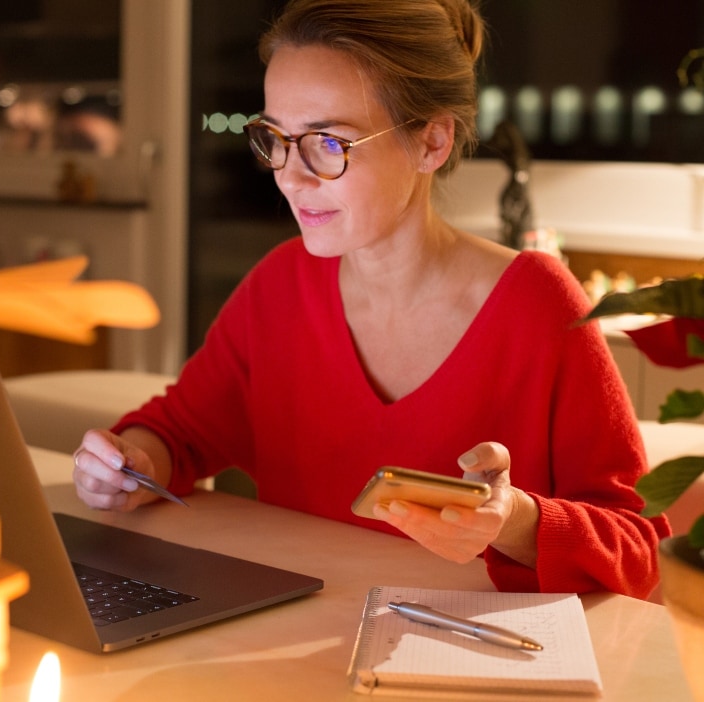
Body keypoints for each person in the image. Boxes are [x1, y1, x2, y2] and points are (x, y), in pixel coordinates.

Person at [73, 0, 669, 598]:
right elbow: (177, 435)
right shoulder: (280, 286)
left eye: (329, 144)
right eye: (276, 138)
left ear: (432, 142)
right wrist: (128, 466)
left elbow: (637, 551)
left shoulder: (538, 305)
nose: (290, 175)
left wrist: (510, 520)